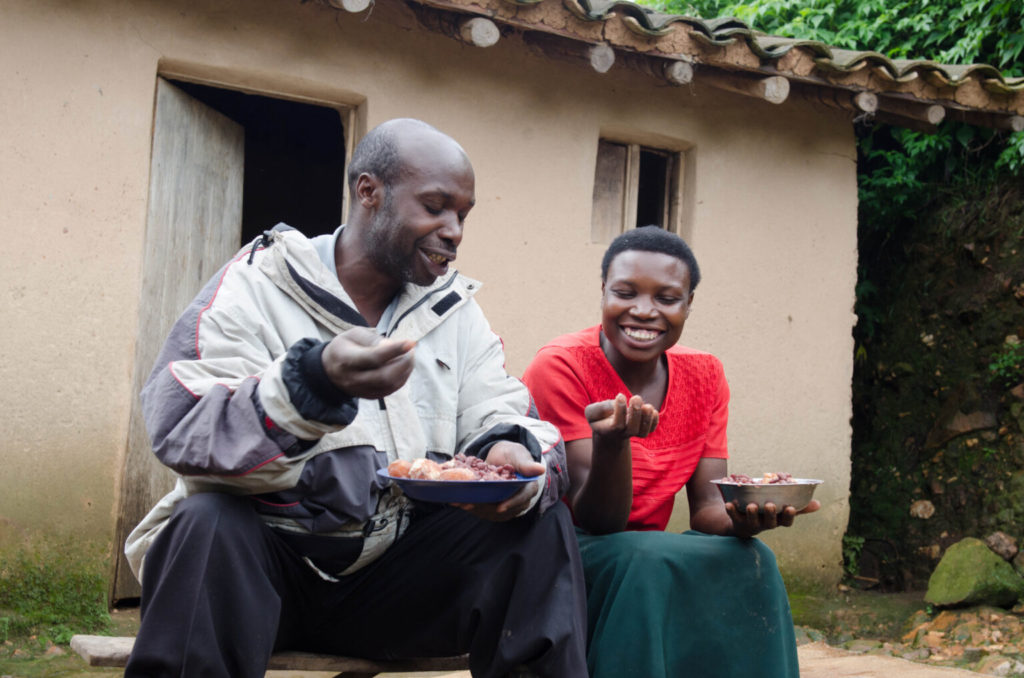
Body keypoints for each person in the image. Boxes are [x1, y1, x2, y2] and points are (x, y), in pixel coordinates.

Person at [123, 118, 588, 678]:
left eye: (462, 214)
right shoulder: (258, 284)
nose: (454, 230)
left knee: (539, 524)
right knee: (207, 520)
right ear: (369, 192)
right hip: (262, 577)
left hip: (392, 587)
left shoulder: (454, 311)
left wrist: (512, 456)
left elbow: (506, 411)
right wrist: (313, 383)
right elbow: (182, 423)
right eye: (435, 206)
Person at [521, 225, 820, 678]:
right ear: (603, 292)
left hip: (647, 553)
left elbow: (705, 509)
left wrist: (747, 517)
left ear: (688, 305)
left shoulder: (704, 375)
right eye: (625, 293)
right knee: (644, 561)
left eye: (666, 298)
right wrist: (613, 443)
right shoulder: (562, 365)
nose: (643, 312)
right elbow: (597, 520)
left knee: (752, 558)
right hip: (564, 548)